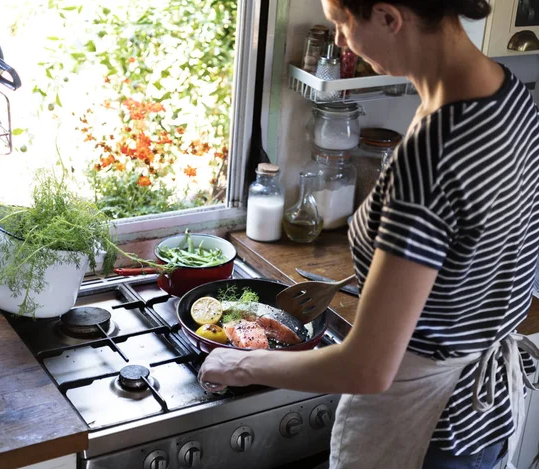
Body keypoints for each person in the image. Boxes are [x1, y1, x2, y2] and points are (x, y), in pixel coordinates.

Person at [198, 0, 539, 468]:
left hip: (424, 427)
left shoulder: (430, 153)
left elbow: (368, 366)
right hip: (482, 421)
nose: (339, 40)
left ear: (388, 16)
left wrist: (241, 364)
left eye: (342, 22)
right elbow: (468, 261)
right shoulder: (509, 94)